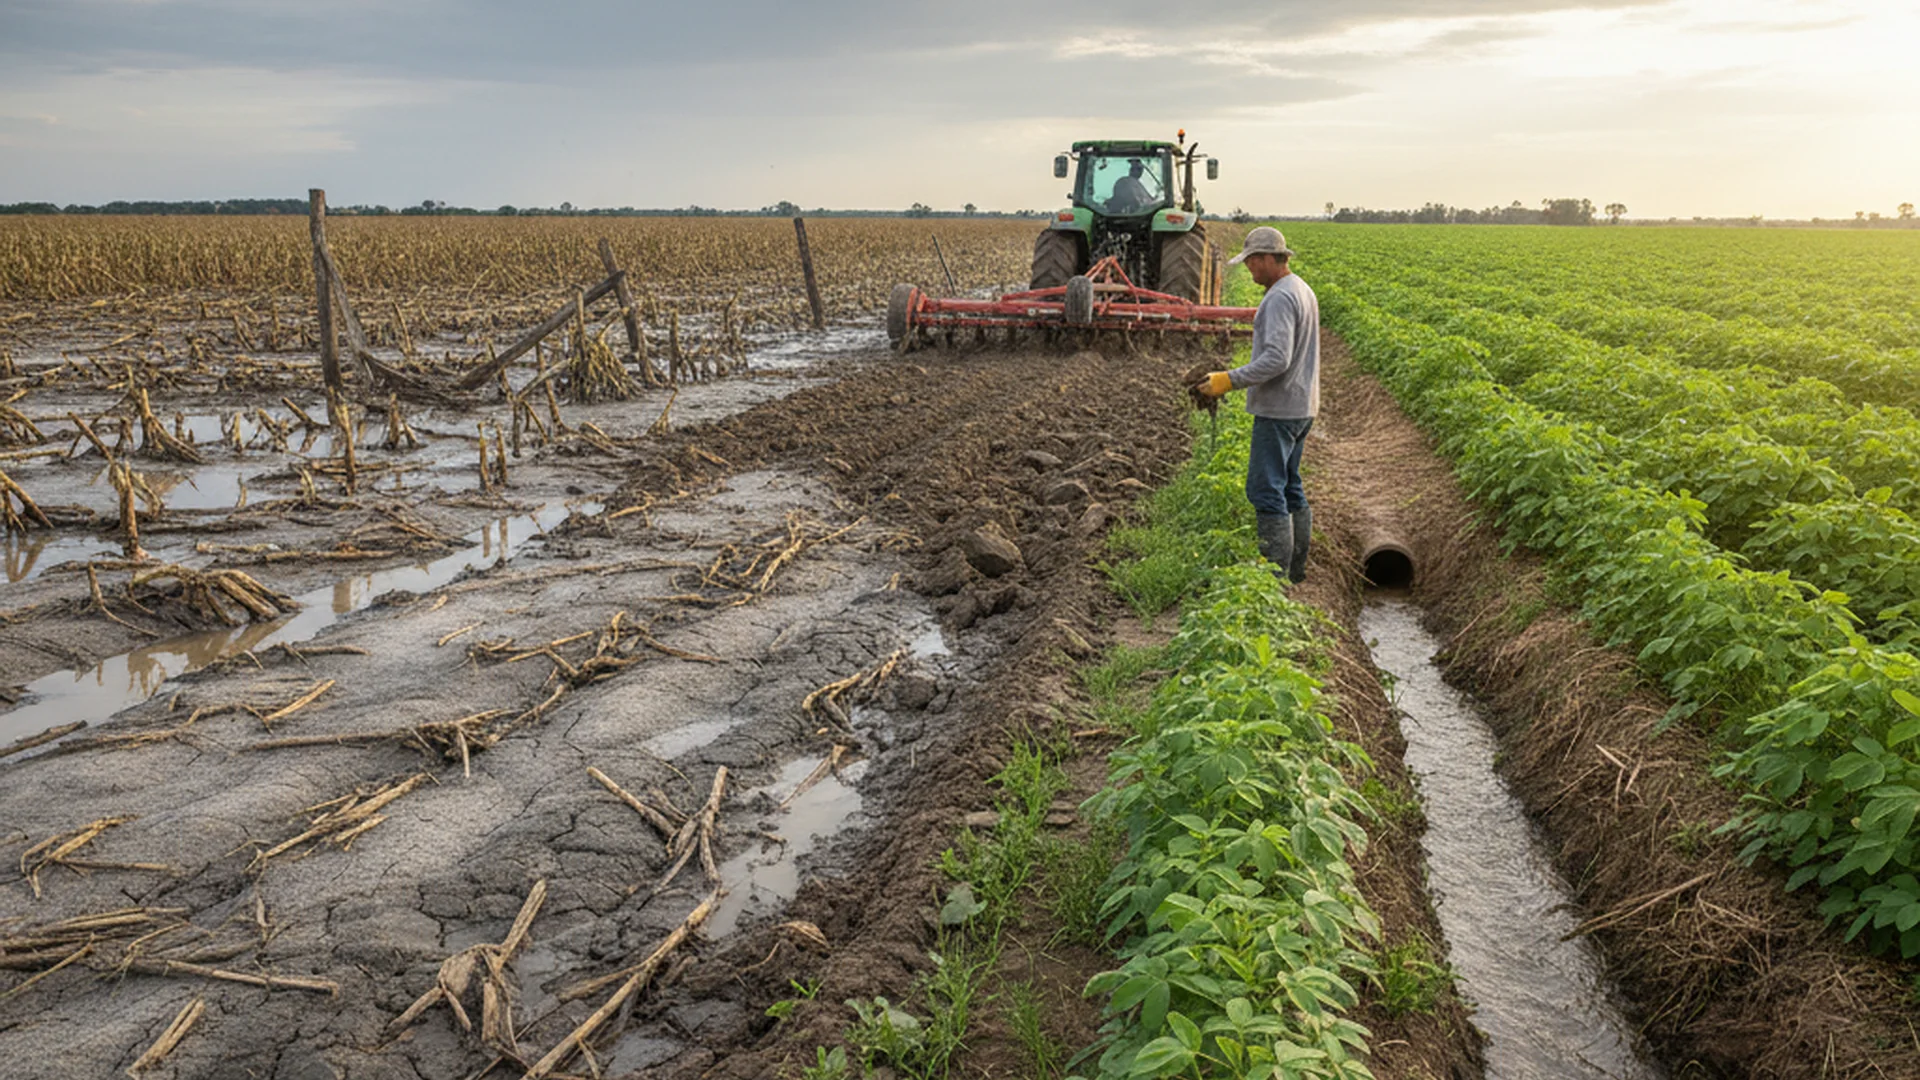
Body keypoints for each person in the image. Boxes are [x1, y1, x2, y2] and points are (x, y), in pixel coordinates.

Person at [1192, 226, 1319, 583]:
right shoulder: (1302, 289)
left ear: (1266, 259)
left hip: (1279, 410)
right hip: (1302, 405)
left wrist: (1226, 380)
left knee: (1265, 489)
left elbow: (1277, 359)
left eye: (1251, 263)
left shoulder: (1279, 297)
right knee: (1290, 485)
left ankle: (1274, 582)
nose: (1249, 271)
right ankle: (1295, 573)